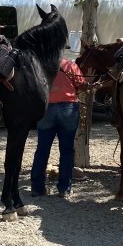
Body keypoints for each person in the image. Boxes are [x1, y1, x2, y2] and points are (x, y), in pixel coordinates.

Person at [30, 55, 86, 198]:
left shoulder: (39, 64)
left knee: (42, 150)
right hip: (68, 107)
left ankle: (37, 188)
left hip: (47, 108)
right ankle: (64, 189)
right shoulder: (69, 64)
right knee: (67, 150)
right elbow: (81, 83)